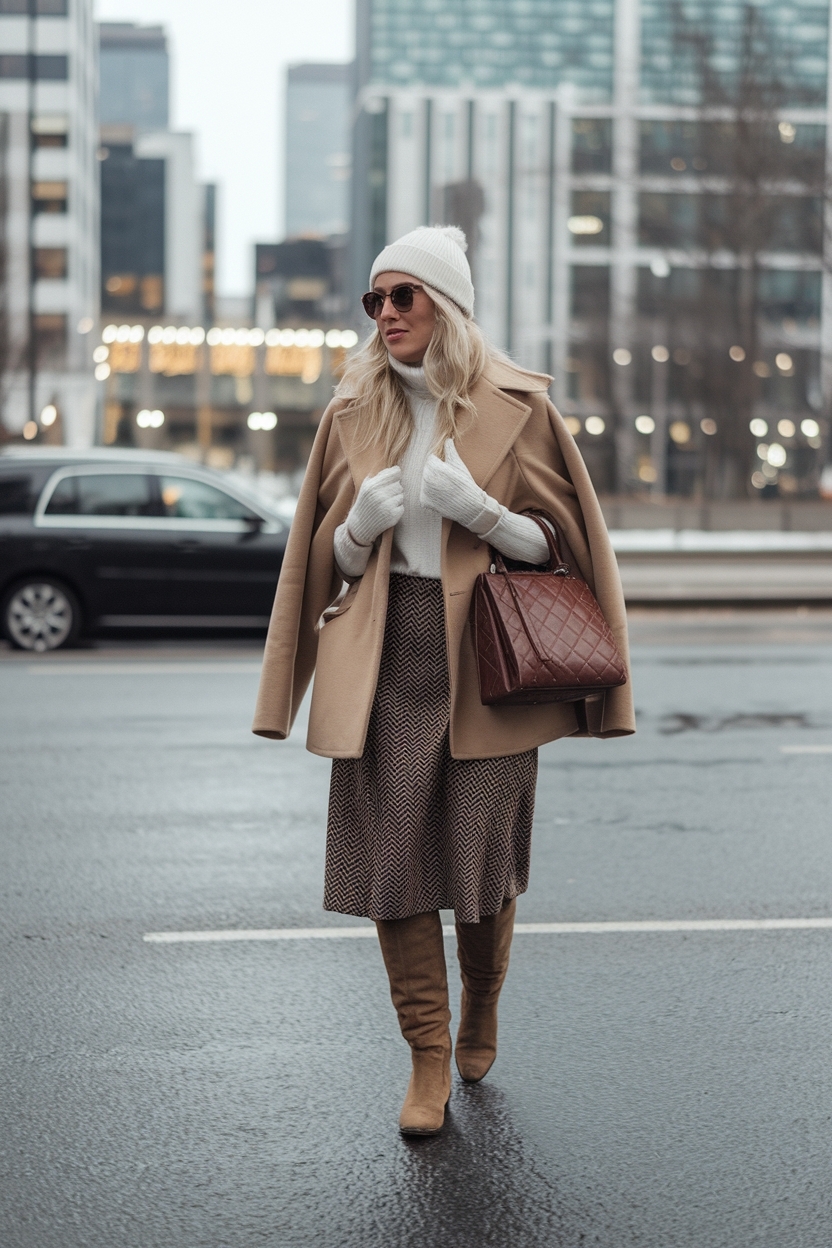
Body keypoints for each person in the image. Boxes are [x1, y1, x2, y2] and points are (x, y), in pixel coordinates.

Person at [253, 225, 635, 1136]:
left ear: (448, 307)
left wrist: (484, 513)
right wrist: (358, 531)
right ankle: (425, 1056)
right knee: (394, 868)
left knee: (479, 868)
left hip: (487, 660)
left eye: (403, 297)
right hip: (384, 656)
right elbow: (319, 563)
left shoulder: (520, 407)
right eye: (374, 301)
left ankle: (485, 1001)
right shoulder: (352, 410)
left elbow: (566, 549)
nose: (385, 314)